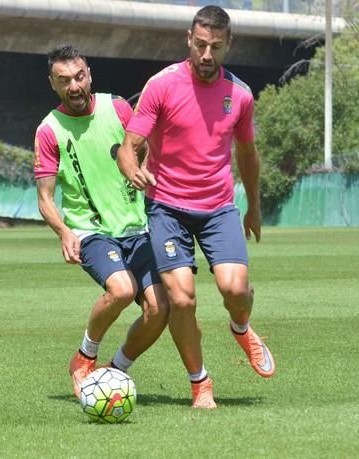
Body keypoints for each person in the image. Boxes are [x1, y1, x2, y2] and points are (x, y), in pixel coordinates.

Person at [117, 5, 275, 409]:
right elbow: (129, 146)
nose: (206, 55)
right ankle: (200, 383)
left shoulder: (239, 95)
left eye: (215, 47)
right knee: (182, 300)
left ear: (228, 46)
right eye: (200, 45)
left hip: (219, 206)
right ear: (189, 38)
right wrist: (132, 167)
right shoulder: (162, 85)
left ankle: (242, 326)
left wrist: (253, 208)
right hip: (166, 207)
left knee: (235, 289)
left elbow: (247, 154)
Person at [35, 44, 169, 399]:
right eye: (64, 81)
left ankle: (115, 371)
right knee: (122, 289)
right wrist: (64, 231)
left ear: (89, 74)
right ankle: (84, 357)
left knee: (160, 310)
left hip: (137, 229)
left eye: (79, 77)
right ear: (53, 84)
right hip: (92, 232)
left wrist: (142, 165)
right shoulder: (49, 130)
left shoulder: (119, 107)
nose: (74, 86)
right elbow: (45, 198)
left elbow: (142, 147)